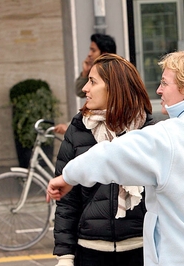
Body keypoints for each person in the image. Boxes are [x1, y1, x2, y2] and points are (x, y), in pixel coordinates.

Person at [47, 49, 184, 266]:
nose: (159, 90)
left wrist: (67, 177)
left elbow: (110, 155)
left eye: (165, 83)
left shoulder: (166, 137)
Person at [53, 53, 154, 266]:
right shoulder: (79, 129)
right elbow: (67, 200)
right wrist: (65, 255)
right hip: (90, 251)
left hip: (142, 249)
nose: (84, 89)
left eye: (92, 82)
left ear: (113, 87)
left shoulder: (150, 131)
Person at [54, 33, 117, 134]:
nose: (89, 54)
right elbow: (80, 92)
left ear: (104, 53)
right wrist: (85, 72)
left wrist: (71, 128)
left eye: (93, 50)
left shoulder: (116, 75)